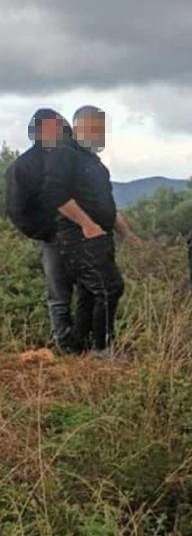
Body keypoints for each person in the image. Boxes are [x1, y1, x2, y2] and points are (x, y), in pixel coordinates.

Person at [40, 105, 132, 354]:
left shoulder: (93, 161)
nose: (101, 134)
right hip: (80, 237)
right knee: (109, 287)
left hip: (100, 236)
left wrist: (128, 235)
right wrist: (87, 224)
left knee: (90, 292)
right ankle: (102, 350)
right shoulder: (63, 153)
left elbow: (107, 205)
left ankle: (84, 348)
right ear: (80, 126)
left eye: (103, 129)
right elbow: (55, 194)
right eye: (97, 128)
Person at [7, 109, 78, 350]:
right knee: (59, 297)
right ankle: (68, 349)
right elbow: (18, 210)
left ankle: (93, 345)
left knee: (95, 291)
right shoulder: (25, 166)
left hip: (87, 238)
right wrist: (49, 233)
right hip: (54, 239)